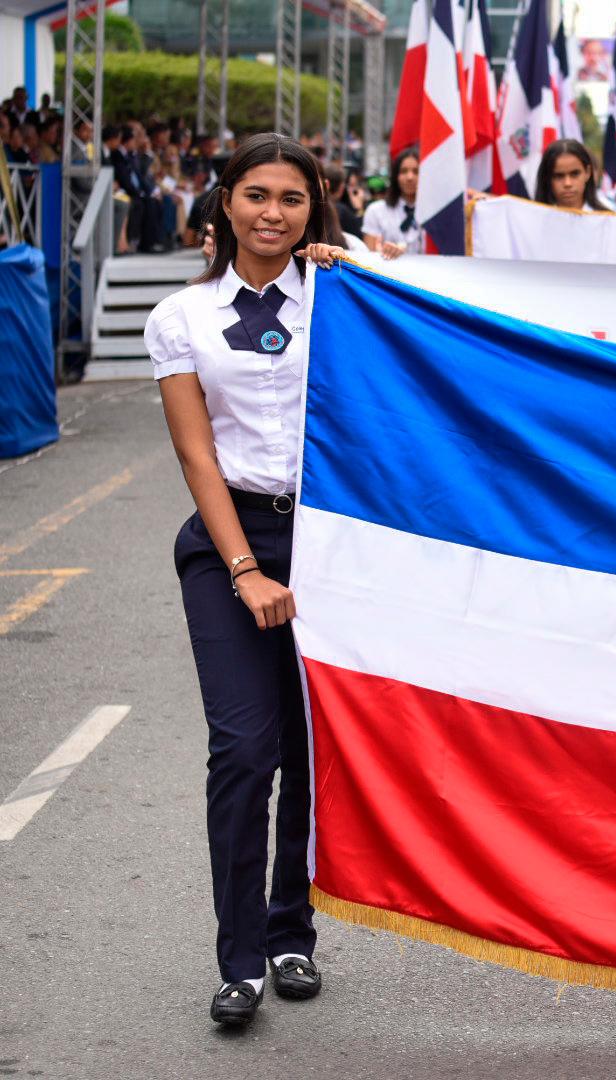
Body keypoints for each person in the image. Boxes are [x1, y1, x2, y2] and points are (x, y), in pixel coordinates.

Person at [143, 131, 347, 1028]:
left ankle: (291, 930)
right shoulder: (179, 318)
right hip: (230, 542)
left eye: (292, 199)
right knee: (244, 750)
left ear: (315, 208)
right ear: (224, 203)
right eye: (256, 195)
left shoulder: (345, 299)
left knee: (309, 749)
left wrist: (364, 270)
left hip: (336, 547)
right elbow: (197, 457)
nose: (273, 213)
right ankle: (239, 958)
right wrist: (244, 570)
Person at [361, 148, 423, 258]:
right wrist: (383, 251)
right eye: (404, 171)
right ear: (395, 176)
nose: (410, 177)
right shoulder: (375, 211)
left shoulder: (435, 214)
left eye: (416, 171)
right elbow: (368, 256)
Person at [534, 138, 609, 213]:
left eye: (575, 174)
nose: (567, 183)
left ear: (587, 172)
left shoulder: (608, 220)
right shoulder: (533, 221)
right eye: (559, 176)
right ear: (547, 177)